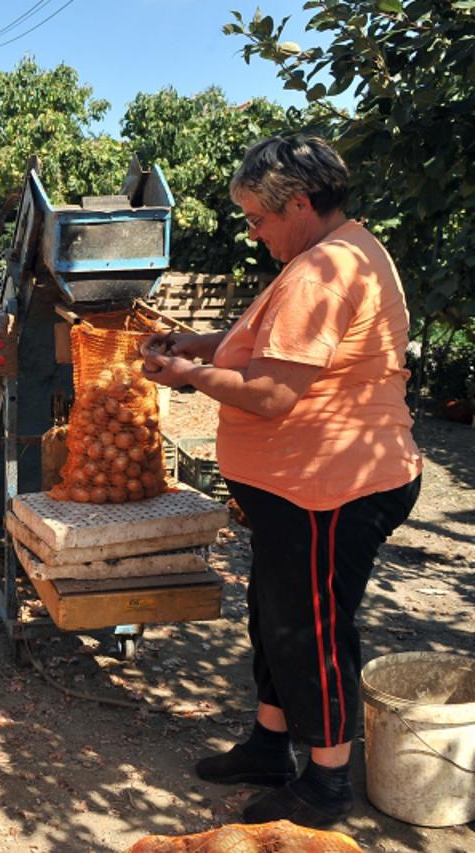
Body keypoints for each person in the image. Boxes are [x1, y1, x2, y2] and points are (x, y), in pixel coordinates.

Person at [141, 135, 422, 828]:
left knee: (312, 629)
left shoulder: (324, 271)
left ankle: (326, 782)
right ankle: (270, 744)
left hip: (332, 485)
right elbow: (272, 346)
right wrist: (202, 345)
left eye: (258, 219)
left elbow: (269, 393)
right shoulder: (328, 253)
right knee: (272, 618)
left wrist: (189, 374)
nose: (252, 231)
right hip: (298, 487)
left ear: (299, 203)